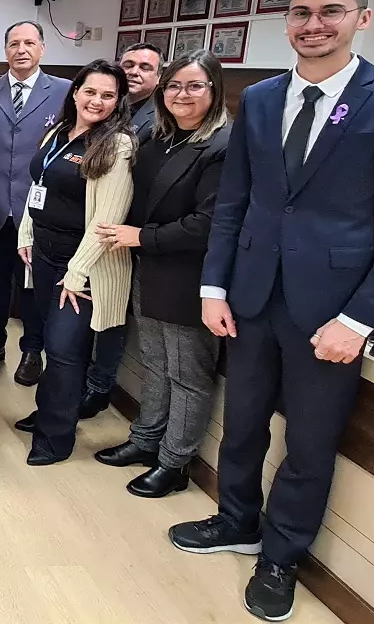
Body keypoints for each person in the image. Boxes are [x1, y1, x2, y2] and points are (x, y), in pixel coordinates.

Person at [169, 0, 374, 622]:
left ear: (361, 19)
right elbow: (234, 201)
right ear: (285, 22)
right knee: (239, 426)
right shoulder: (261, 98)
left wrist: (359, 317)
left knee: (310, 442)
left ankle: (280, 554)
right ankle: (235, 520)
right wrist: (214, 286)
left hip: (331, 307)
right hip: (252, 293)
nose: (313, 25)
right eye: (300, 14)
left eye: (330, 12)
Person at [91, 51, 232, 498]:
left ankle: (174, 463)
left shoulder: (223, 146)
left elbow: (209, 224)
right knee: (155, 363)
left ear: (214, 90)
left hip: (189, 277)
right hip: (147, 269)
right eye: (174, 86)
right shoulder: (158, 137)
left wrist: (141, 238)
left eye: (194, 86)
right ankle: (146, 439)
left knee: (187, 375)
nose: (182, 95)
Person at [12, 60, 135, 467]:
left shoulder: (116, 145)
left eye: (107, 95)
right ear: (76, 92)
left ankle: (56, 438)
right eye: (90, 91)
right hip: (44, 256)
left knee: (65, 349)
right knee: (48, 341)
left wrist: (77, 272)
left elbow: (108, 220)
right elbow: (39, 185)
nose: (96, 101)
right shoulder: (58, 133)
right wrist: (26, 233)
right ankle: (49, 413)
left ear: (118, 102)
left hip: (83, 267)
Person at [0, 20, 71, 379]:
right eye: (14, 44)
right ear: (4, 51)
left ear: (42, 48)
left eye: (29, 43)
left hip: (42, 209)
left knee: (38, 284)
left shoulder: (65, 91)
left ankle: (33, 350)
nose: (21, 50)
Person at [81, 39, 165, 418]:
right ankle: (85, 380)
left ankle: (99, 387)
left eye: (145, 67)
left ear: (159, 77)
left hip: (125, 234)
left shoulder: (160, 118)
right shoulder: (105, 110)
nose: (135, 71)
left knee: (110, 318)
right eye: (128, 64)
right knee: (88, 313)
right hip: (91, 228)